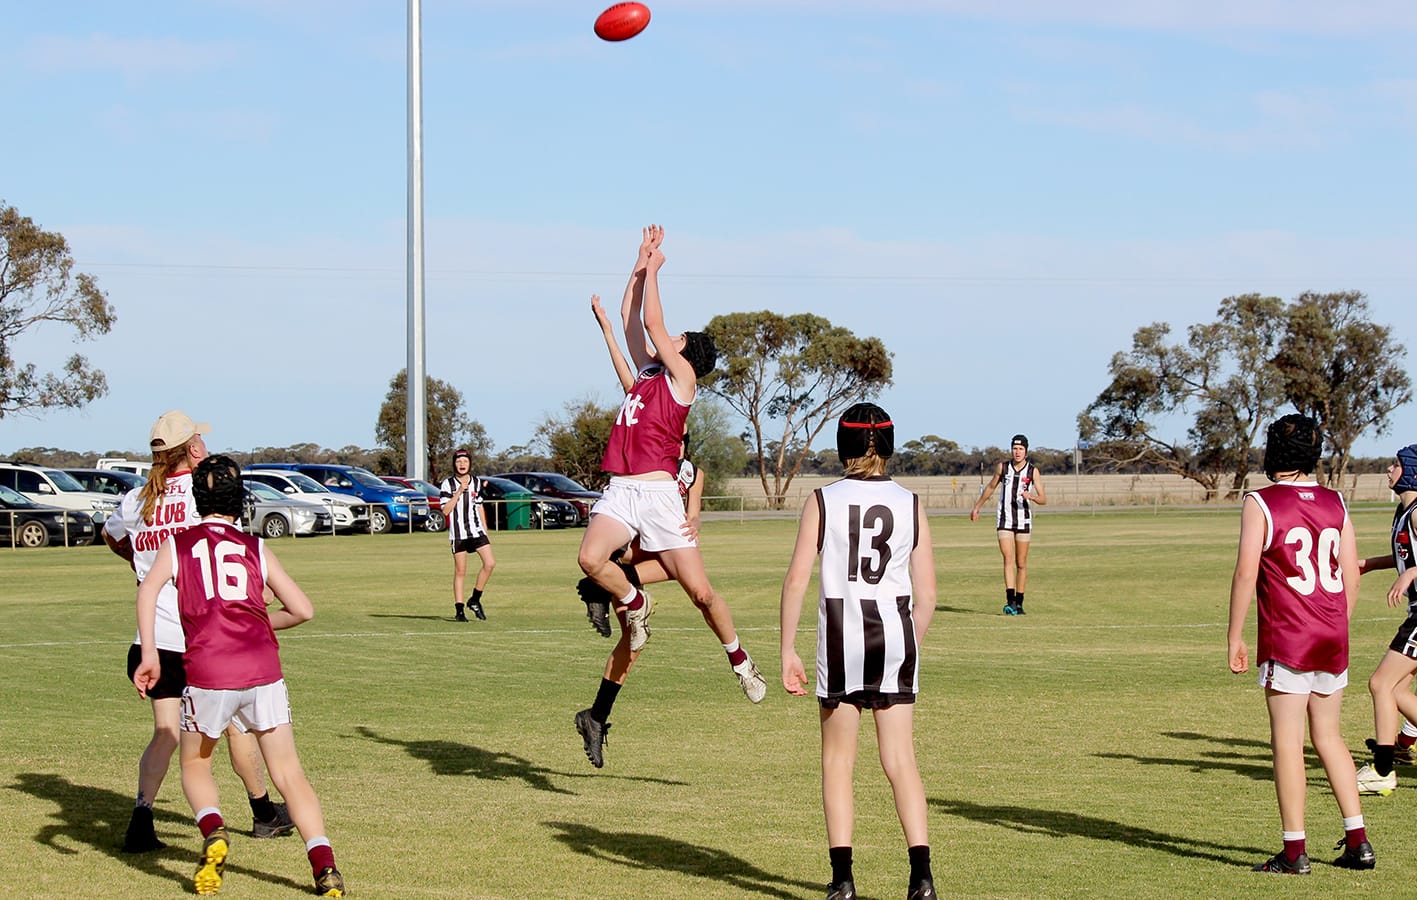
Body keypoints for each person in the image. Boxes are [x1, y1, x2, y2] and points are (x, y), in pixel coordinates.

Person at [574, 226, 767, 769]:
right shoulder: (649, 372)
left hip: (658, 494)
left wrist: (656, 271)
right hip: (623, 487)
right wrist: (639, 262)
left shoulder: (682, 377)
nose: (669, 337)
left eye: (679, 337)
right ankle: (632, 603)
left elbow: (653, 324)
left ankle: (740, 662)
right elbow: (632, 316)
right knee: (590, 559)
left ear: (687, 352)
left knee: (701, 593)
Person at [133, 455, 345, 897]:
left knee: (195, 763)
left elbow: (148, 590)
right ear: (240, 498)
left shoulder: (179, 544)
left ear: (197, 499)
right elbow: (302, 610)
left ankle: (214, 830)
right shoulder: (255, 547)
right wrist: (261, 625)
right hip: (263, 669)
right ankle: (325, 867)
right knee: (289, 773)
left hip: (209, 670)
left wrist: (150, 654)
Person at [102, 410, 292, 853]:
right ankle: (263, 813)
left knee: (166, 732)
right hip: (205, 635)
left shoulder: (136, 500)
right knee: (236, 727)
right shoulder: (204, 494)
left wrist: (143, 566)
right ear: (192, 449)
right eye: (200, 441)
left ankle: (141, 819)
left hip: (154, 637)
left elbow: (113, 537)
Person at [781, 403, 938, 900]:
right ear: (887, 444)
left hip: (841, 639)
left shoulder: (822, 501)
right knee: (901, 760)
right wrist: (908, 643)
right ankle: (922, 878)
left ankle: (843, 880)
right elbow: (927, 596)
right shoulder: (911, 503)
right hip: (895, 638)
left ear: (842, 444)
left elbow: (797, 580)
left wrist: (787, 649)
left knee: (837, 761)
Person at [1226, 413, 1372, 874]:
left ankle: (1294, 852)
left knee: (1287, 742)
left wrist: (1234, 636)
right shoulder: (1335, 501)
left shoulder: (1261, 501)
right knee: (1329, 736)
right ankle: (1358, 842)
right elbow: (1351, 576)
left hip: (1289, 635)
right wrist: (1336, 624)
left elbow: (1246, 572)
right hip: (1332, 634)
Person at [1352, 443, 1417, 796]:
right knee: (1396, 690)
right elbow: (1405, 555)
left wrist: (1412, 574)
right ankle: (1387, 763)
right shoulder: (1403, 512)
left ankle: (1382, 770)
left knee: (1380, 684)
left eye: (1396, 465)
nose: (1389, 470)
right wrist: (1368, 565)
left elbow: (1412, 565)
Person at [970, 434, 1046, 615]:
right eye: (1015, 448)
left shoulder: (1032, 471)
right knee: (1008, 558)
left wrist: (1031, 497)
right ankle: (1010, 601)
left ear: (1026, 451)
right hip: (1005, 519)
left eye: (1021, 449)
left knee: (1021, 563)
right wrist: (977, 507)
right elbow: (990, 487)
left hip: (1023, 519)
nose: (1017, 452)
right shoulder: (1003, 468)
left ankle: (1019, 602)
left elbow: (1043, 499)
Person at [439, 449, 495, 622]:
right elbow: (446, 510)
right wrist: (458, 492)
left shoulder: (476, 482)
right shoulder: (447, 484)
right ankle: (459, 610)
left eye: (465, 461)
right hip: (458, 533)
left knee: (490, 563)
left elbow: (479, 506)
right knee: (460, 571)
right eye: (458, 461)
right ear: (454, 464)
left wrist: (485, 529)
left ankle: (475, 599)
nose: (462, 464)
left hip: (476, 530)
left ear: (470, 463)